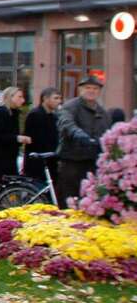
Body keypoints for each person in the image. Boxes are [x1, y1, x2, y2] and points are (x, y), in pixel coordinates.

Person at [57, 76, 110, 208]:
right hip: (73, 160)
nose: (91, 91)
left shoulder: (102, 112)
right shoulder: (70, 106)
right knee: (69, 199)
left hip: (93, 161)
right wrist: (79, 134)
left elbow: (107, 133)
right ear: (80, 90)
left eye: (95, 88)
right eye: (88, 88)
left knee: (91, 199)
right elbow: (66, 123)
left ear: (99, 91)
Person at [0, 86, 31, 183]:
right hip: (1, 160)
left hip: (10, 158)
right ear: (10, 97)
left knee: (9, 190)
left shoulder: (14, 113)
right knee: (5, 190)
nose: (23, 100)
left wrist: (19, 139)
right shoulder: (2, 112)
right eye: (19, 97)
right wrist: (17, 138)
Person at [23, 87, 61, 180]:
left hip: (50, 161)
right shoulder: (35, 114)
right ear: (45, 98)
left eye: (60, 98)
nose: (59, 101)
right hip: (37, 162)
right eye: (55, 98)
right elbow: (34, 140)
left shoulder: (54, 116)